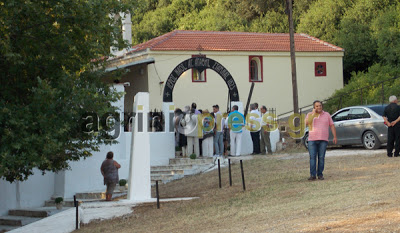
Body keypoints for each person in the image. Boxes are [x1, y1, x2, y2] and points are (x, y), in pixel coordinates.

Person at [305, 100, 337, 181]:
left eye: (320, 105)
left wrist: (335, 136)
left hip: (323, 140)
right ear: (314, 107)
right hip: (312, 140)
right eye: (317, 106)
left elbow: (332, 125)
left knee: (321, 157)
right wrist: (313, 114)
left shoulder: (327, 115)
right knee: (312, 157)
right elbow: (306, 123)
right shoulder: (310, 114)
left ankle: (320, 174)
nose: (319, 107)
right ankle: (312, 175)